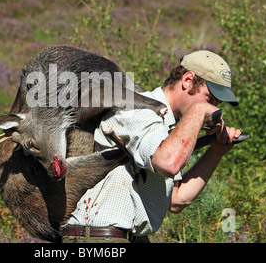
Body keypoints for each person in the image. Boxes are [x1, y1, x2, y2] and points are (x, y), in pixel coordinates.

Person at [61, 50, 242, 243]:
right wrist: (198, 111)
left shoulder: (168, 130)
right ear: (188, 80)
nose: (213, 108)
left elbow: (177, 199)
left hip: (131, 237)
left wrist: (216, 152)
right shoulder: (137, 110)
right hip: (98, 237)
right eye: (210, 99)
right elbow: (169, 163)